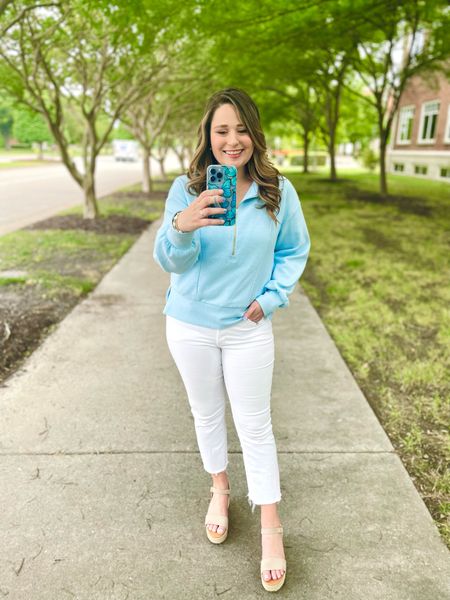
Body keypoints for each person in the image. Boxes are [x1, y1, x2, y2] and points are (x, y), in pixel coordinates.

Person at [153, 87, 310, 592]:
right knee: (206, 413)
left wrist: (273, 297)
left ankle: (270, 526)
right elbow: (170, 261)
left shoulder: (277, 191)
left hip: (247, 327)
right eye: (222, 130)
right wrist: (183, 225)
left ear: (254, 134)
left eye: (241, 129)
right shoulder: (186, 188)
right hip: (190, 324)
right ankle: (219, 489)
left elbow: (294, 250)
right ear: (208, 136)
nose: (232, 140)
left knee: (255, 425)